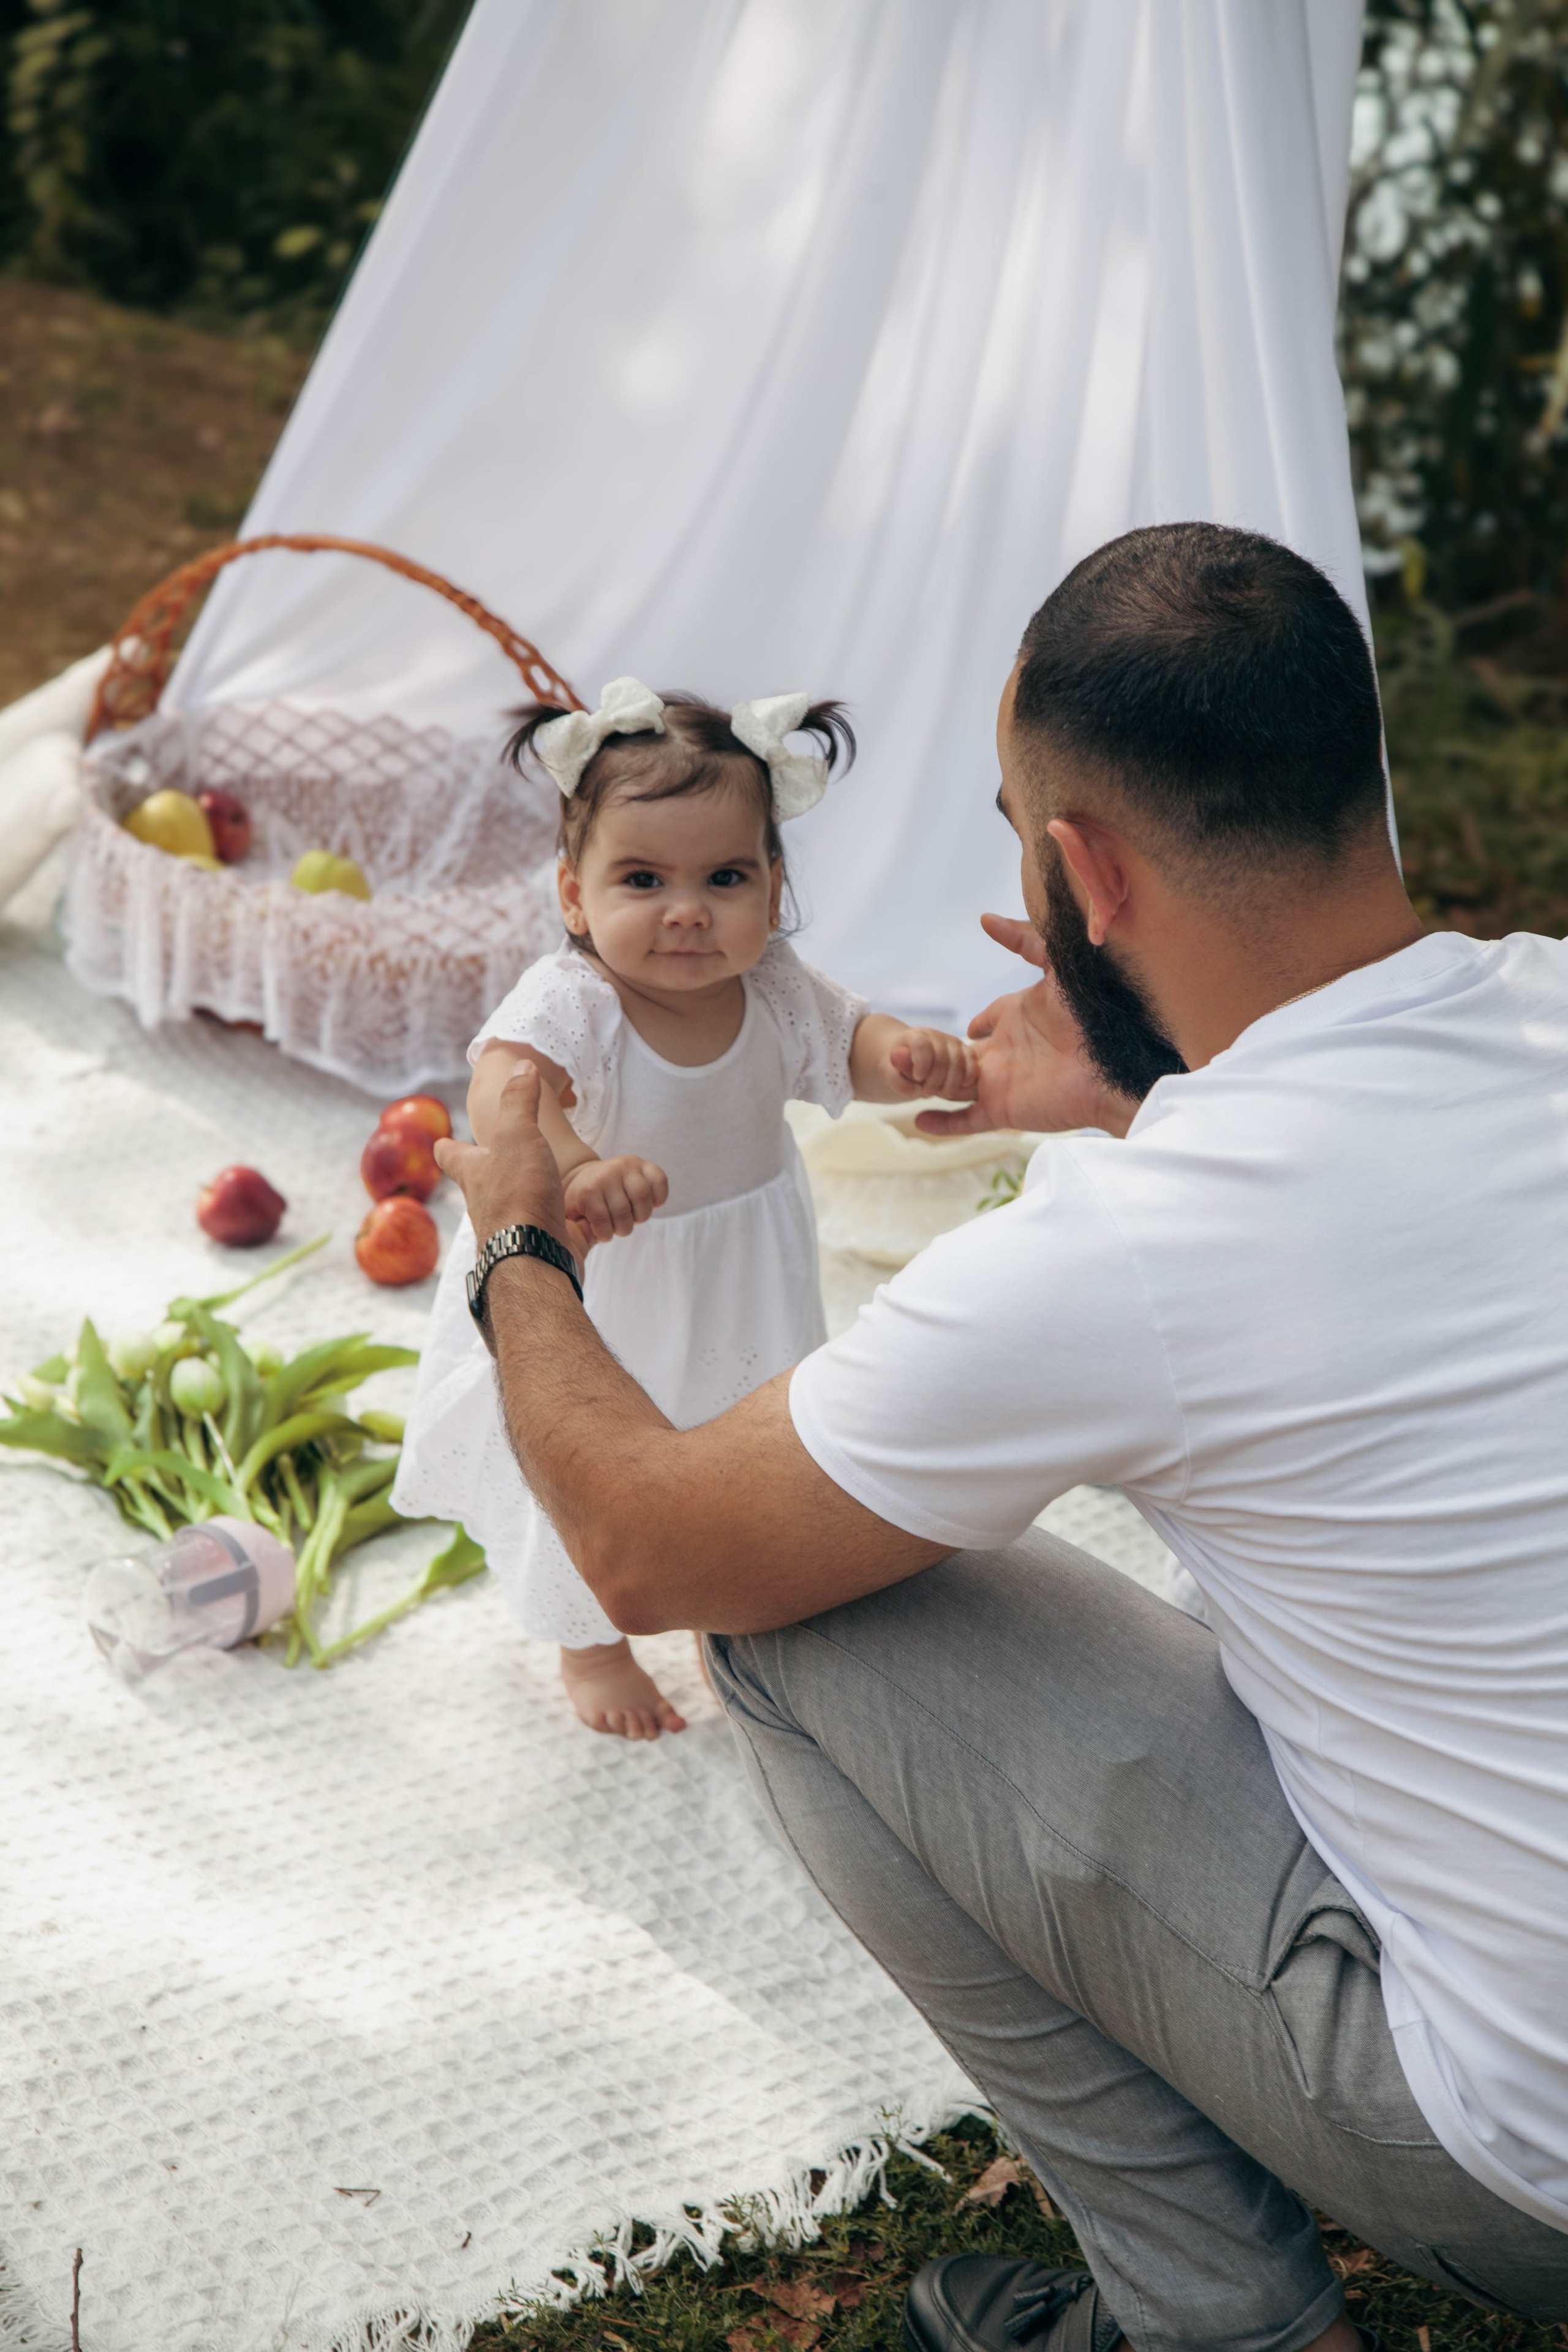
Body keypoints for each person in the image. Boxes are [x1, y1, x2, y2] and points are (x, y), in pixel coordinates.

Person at [432, 523, 1568, 2350]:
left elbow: (648, 1540)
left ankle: (1216, 2321)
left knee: (796, 1615)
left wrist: (515, 1236)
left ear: (1079, 874)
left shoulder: (1126, 1248)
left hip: (1517, 2162)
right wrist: (1140, 1085)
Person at [392, 679, 975, 1739]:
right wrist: (573, 1164)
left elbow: (848, 1052)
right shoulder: (576, 1002)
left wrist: (911, 1057)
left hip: (743, 1271)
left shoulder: (781, 991)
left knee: (742, 1446)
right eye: (643, 878)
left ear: (774, 885)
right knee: (589, 1463)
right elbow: (505, 1088)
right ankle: (591, 1640)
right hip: (606, 1282)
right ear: (575, 896)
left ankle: (727, 1609)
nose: (687, 910)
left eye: (725, 877)